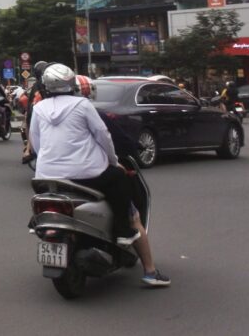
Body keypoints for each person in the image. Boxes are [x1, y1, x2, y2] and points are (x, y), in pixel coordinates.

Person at [30, 63, 169, 287]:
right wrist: (114, 162)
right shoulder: (82, 105)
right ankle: (128, 237)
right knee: (120, 181)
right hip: (86, 173)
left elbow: (35, 142)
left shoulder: (39, 108)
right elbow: (103, 136)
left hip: (47, 175)